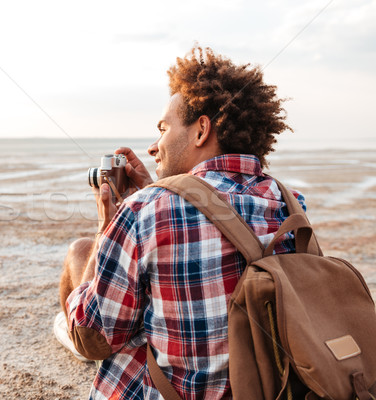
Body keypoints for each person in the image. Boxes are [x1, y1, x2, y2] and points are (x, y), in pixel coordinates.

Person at [58, 46, 305, 399]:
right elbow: (210, 220)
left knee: (80, 253)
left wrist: (108, 225)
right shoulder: (288, 203)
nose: (154, 146)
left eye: (163, 129)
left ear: (201, 129)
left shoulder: (146, 209)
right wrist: (160, 190)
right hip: (264, 385)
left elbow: (94, 338)